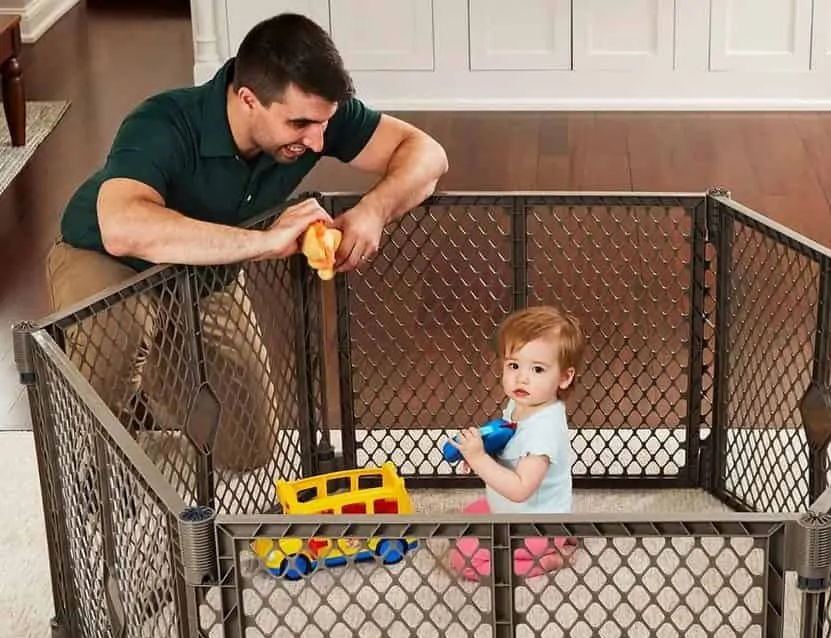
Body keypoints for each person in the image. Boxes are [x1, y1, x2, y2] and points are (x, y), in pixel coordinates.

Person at [45, 12, 448, 472]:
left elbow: (428, 155)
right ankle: (98, 439)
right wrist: (264, 242)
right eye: (299, 125)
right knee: (121, 332)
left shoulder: (314, 119)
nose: (317, 141)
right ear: (248, 99)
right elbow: (121, 227)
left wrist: (374, 210)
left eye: (324, 123)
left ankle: (148, 376)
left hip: (205, 276)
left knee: (246, 450)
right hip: (108, 258)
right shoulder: (163, 120)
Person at [448, 304, 584, 580]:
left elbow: (521, 489)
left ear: (564, 377)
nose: (521, 377)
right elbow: (508, 444)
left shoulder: (543, 432)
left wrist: (479, 460)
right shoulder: (522, 403)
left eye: (537, 369)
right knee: (463, 518)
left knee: (466, 560)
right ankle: (563, 536)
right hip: (516, 514)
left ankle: (550, 558)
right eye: (513, 365)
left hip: (534, 527)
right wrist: (483, 452)